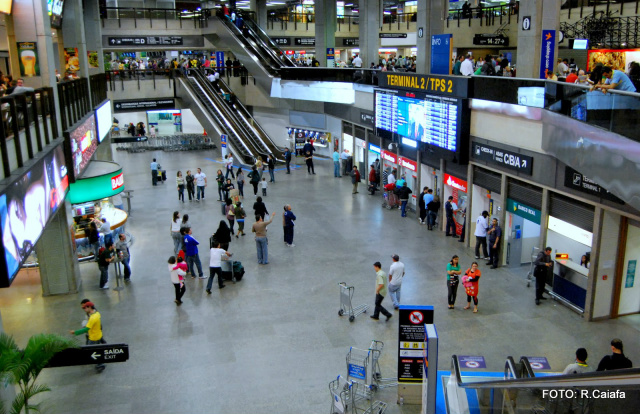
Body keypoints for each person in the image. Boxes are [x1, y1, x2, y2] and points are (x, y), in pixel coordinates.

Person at [69, 301, 106, 372]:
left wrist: (75, 332)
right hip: (98, 335)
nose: (84, 310)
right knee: (95, 350)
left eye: (85, 308)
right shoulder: (97, 313)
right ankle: (100, 362)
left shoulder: (92, 318)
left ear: (89, 307)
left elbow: (86, 329)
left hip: (93, 338)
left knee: (90, 350)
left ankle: (100, 364)